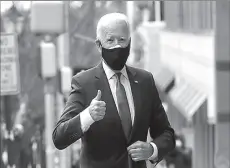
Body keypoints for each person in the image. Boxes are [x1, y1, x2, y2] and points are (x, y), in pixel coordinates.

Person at [52, 13, 175, 168]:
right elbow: (59, 138)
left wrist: (152, 149)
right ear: (99, 45)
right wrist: (88, 116)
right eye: (110, 40)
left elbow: (166, 134)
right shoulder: (84, 83)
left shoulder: (145, 81)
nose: (117, 46)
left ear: (129, 42)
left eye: (122, 40)